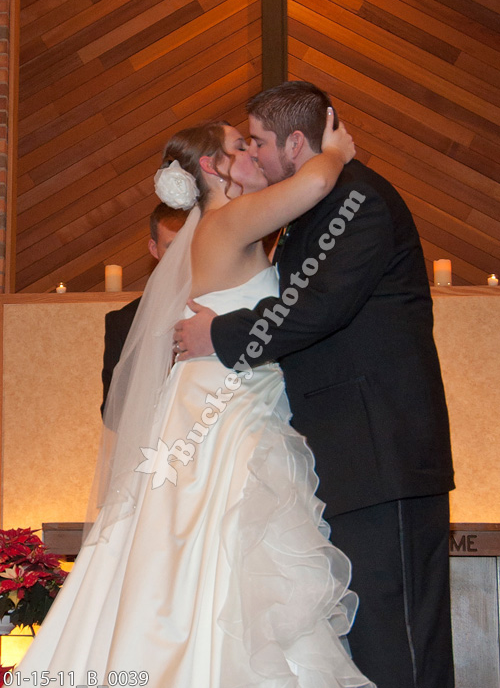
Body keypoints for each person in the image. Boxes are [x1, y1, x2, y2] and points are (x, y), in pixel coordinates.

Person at [15, 115, 374, 688]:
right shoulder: (229, 219)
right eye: (240, 146)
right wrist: (333, 149)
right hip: (227, 410)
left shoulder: (222, 227)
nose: (252, 153)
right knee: (224, 546)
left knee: (194, 551)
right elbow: (313, 183)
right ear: (212, 167)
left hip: (220, 398)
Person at [174, 82, 456, 688]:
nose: (254, 154)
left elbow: (316, 307)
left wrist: (219, 334)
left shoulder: (357, 200)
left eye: (258, 141)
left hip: (381, 453)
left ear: (296, 142)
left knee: (399, 640)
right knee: (365, 640)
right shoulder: (313, 207)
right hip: (345, 455)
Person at [101, 203, 187, 412]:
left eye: (189, 244)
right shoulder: (123, 322)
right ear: (154, 249)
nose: (181, 256)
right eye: (172, 247)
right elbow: (112, 410)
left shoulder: (221, 308)